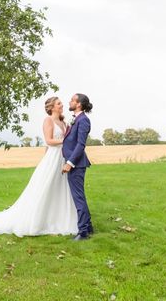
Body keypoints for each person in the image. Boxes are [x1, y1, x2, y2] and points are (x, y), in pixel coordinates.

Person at [0, 97, 77, 236]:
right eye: (59, 103)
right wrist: (65, 141)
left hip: (62, 157)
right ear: (52, 107)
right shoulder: (48, 121)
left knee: (61, 187)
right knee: (46, 186)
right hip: (53, 158)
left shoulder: (64, 122)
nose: (62, 105)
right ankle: (38, 220)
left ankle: (60, 219)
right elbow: (48, 140)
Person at [61, 93, 94, 241]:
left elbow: (81, 144)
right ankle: (89, 226)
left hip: (77, 165)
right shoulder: (76, 119)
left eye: (72, 100)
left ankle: (83, 232)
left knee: (78, 198)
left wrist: (70, 163)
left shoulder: (84, 120)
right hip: (75, 164)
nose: (69, 101)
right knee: (79, 197)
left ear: (79, 104)